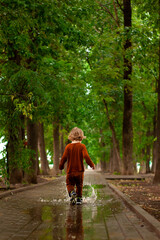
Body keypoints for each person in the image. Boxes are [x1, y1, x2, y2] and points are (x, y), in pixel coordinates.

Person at [59, 127, 95, 205]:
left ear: (71, 136)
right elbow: (86, 156)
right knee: (79, 185)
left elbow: (64, 158)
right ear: (81, 136)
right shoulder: (82, 146)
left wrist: (61, 166)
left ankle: (72, 192)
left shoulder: (68, 147)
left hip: (70, 171)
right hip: (79, 171)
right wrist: (91, 164)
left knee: (69, 184)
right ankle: (79, 199)